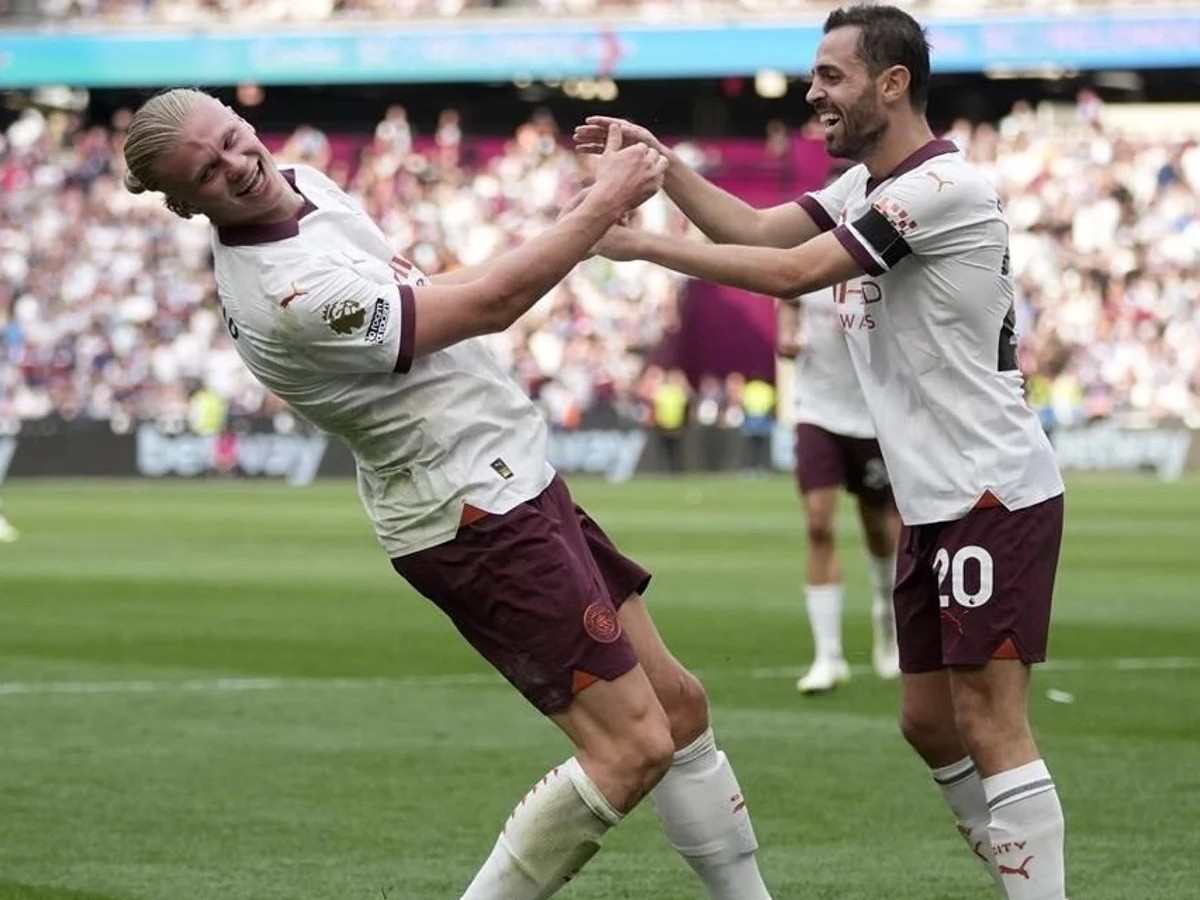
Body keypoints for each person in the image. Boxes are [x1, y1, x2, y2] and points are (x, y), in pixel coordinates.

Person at [120, 89, 773, 900]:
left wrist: (577, 219)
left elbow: (437, 290)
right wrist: (597, 206)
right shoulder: (286, 292)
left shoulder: (307, 186)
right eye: (208, 173)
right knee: (630, 749)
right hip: (472, 513)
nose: (236, 164)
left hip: (512, 473)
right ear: (185, 206)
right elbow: (485, 307)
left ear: (245, 122)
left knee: (679, 709)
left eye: (230, 138)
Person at [574, 5, 1068, 898]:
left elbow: (793, 274)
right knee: (928, 722)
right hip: (938, 496)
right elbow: (761, 232)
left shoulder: (937, 188)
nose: (812, 95)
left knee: (992, 723)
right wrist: (662, 166)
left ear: (893, 83)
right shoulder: (870, 185)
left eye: (831, 77)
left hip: (992, 492)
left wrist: (641, 242)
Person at [777, 287, 900, 693]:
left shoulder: (878, 246)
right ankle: (827, 656)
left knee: (882, 529)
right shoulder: (810, 244)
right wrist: (788, 332)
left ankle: (888, 625)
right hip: (817, 410)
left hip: (875, 413)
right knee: (818, 523)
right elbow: (787, 291)